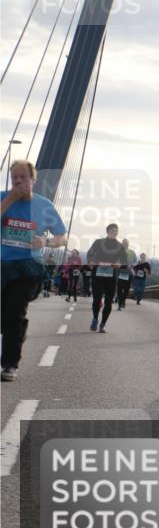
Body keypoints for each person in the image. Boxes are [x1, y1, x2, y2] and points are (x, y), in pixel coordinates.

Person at [1, 160, 67, 381]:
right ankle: (18, 330)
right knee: (7, 319)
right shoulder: (3, 198)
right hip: (2, 266)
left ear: (33, 180)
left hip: (28, 269)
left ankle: (10, 364)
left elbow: (62, 237)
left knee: (14, 313)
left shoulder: (44, 205)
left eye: (23, 178)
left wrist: (46, 241)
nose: (18, 182)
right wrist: (10, 199)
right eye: (14, 178)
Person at [86, 224, 128, 333]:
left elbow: (124, 260)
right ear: (108, 231)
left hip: (111, 276)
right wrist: (90, 261)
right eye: (113, 231)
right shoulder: (98, 242)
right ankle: (95, 319)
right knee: (97, 299)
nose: (115, 233)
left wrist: (119, 263)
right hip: (97, 275)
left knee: (109, 302)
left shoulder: (119, 246)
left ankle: (103, 324)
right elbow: (90, 253)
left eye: (116, 231)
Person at [115, 238, 136, 310]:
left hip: (129, 273)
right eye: (124, 243)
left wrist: (132, 265)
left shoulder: (132, 252)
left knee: (127, 289)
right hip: (121, 273)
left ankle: (123, 300)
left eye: (126, 243)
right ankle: (119, 304)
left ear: (128, 244)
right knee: (120, 289)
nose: (125, 244)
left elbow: (135, 261)